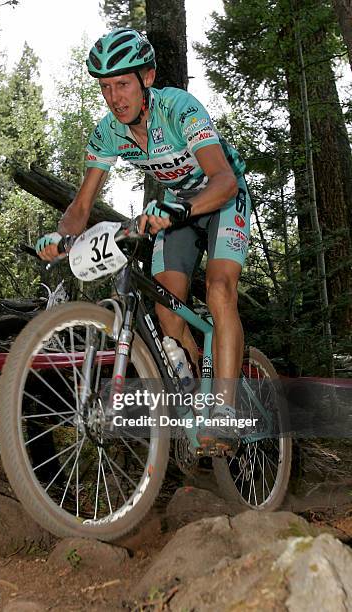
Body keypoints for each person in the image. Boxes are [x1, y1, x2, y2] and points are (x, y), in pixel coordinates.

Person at [35, 28, 251, 445]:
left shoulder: (179, 109)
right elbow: (81, 207)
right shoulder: (107, 132)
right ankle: (194, 379)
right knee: (168, 311)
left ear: (147, 78)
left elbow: (222, 179)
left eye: (122, 84)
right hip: (176, 209)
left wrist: (182, 208)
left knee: (220, 290)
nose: (115, 98)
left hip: (223, 199)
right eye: (105, 88)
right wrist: (60, 239)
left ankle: (225, 408)